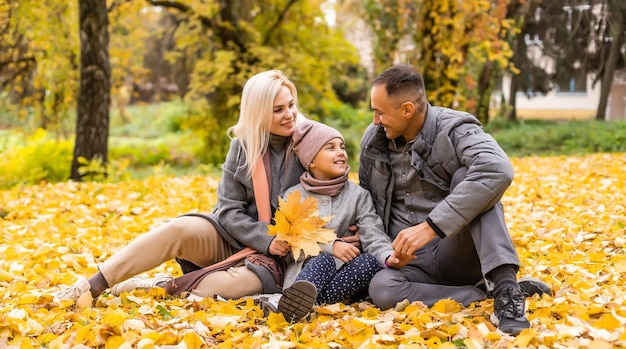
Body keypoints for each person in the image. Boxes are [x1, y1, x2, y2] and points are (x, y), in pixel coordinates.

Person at [54, 70, 318, 321]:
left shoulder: (310, 142)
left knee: (217, 288)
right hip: (234, 236)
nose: (289, 115)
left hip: (275, 259)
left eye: (291, 105)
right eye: (278, 110)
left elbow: (333, 194)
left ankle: (155, 287)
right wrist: (263, 237)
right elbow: (228, 210)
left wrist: (274, 244)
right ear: (258, 113)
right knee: (178, 228)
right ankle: (93, 284)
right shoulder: (242, 146)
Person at [360, 64, 552, 336]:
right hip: (410, 266)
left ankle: (507, 292)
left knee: (474, 182)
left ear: (406, 110)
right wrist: (384, 251)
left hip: (455, 248)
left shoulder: (454, 127)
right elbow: (366, 200)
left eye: (379, 112)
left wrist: (430, 227)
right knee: (381, 288)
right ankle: (482, 294)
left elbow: (498, 169)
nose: (375, 120)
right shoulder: (373, 140)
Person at [279, 121, 413, 307]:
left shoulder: (358, 195)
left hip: (344, 276)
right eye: (330, 148)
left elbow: (373, 235)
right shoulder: (294, 196)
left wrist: (389, 257)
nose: (341, 152)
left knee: (371, 261)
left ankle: (304, 304)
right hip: (306, 274)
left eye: (342, 147)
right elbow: (290, 244)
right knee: (324, 260)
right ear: (311, 160)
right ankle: (301, 298)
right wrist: (331, 247)